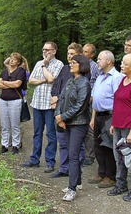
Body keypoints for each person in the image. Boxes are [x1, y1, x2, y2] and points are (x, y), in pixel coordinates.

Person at [107, 53, 131, 202]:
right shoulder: (124, 79)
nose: (121, 65)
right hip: (118, 124)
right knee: (118, 157)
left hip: (129, 126)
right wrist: (113, 123)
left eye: (124, 63)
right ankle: (121, 184)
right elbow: (118, 103)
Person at [20, 41, 63, 173]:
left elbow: (51, 79)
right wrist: (44, 79)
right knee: (37, 133)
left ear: (54, 51)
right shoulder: (38, 63)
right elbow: (31, 81)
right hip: (37, 103)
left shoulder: (58, 64)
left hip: (49, 105)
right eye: (43, 50)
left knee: (50, 134)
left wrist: (44, 67)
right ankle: (34, 159)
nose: (45, 52)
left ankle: (50, 161)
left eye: (48, 50)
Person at [55, 55, 92, 202]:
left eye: (74, 62)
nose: (70, 64)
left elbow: (80, 106)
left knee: (73, 155)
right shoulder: (71, 81)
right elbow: (61, 99)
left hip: (78, 123)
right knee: (72, 154)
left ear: (81, 65)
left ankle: (72, 188)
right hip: (67, 123)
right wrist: (59, 116)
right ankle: (77, 181)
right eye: (71, 62)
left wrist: (63, 117)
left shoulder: (84, 83)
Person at [88, 50, 123, 188]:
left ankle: (110, 176)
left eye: (100, 59)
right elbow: (95, 97)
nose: (97, 61)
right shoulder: (100, 77)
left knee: (108, 146)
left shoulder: (116, 77)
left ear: (108, 61)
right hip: (98, 115)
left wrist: (114, 120)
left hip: (110, 115)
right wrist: (92, 117)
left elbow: (118, 100)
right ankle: (101, 172)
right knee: (97, 145)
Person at [50, 43, 85, 177]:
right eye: (68, 54)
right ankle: (64, 168)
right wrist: (54, 96)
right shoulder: (65, 69)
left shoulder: (82, 72)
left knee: (76, 145)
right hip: (59, 110)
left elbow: (77, 95)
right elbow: (57, 85)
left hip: (73, 114)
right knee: (62, 142)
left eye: (72, 54)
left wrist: (59, 99)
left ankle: (76, 170)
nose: (69, 57)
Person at [0, 53, 28, 155]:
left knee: (15, 124)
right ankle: (4, 145)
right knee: (4, 124)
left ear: (18, 62)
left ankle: (15, 145)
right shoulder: (4, 72)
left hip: (15, 100)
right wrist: (9, 84)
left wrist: (4, 83)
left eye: (14, 60)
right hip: (3, 100)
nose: (11, 61)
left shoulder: (20, 71)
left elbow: (17, 84)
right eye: (11, 59)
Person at [82, 43, 101, 166]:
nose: (83, 54)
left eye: (86, 52)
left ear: (92, 54)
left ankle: (89, 155)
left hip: (89, 101)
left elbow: (95, 83)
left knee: (90, 129)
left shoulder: (94, 67)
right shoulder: (81, 65)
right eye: (82, 51)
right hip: (80, 101)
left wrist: (91, 97)